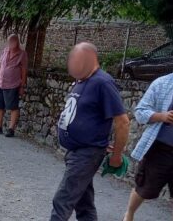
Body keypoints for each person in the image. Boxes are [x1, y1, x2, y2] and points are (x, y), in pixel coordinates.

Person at [50, 42, 130, 221]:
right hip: (76, 151)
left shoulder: (103, 82)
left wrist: (117, 155)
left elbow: (122, 122)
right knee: (83, 204)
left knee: (62, 200)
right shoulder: (82, 80)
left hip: (87, 152)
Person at [124, 43, 173, 221]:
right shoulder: (161, 84)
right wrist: (162, 116)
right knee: (144, 189)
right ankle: (129, 213)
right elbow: (140, 112)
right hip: (160, 150)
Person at [0, 34, 28, 137]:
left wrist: (22, 86)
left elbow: (24, 70)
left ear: (17, 42)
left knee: (13, 107)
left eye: (13, 42)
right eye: (9, 42)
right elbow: (0, 67)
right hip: (0, 83)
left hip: (13, 84)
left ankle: (11, 129)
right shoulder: (5, 51)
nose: (11, 44)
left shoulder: (22, 54)